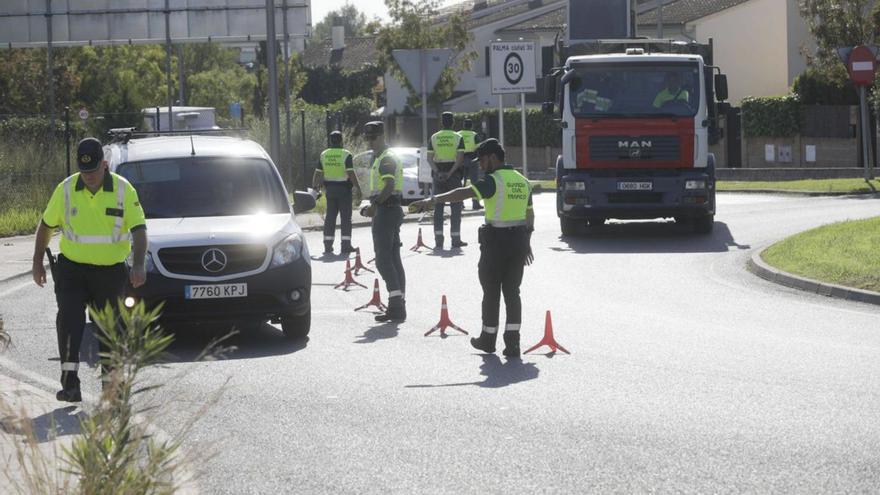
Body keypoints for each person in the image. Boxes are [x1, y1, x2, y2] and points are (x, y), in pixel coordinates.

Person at [32, 137, 148, 402]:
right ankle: (70, 385)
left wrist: (138, 263)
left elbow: (139, 229)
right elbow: (47, 225)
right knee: (69, 324)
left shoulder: (123, 189)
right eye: (84, 172)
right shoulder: (66, 189)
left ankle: (113, 389)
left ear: (104, 165)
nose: (89, 177)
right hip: (72, 270)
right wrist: (37, 260)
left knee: (110, 330)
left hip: (110, 273)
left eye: (94, 171)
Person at [410, 138, 534, 357]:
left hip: (496, 242)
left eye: (483, 160)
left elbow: (464, 193)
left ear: (493, 158)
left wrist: (434, 200)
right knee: (513, 293)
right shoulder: (523, 181)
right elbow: (529, 214)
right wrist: (527, 243)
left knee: (491, 292)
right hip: (518, 243)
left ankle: (488, 339)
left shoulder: (493, 180)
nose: (480, 165)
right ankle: (513, 343)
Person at [359, 121, 406, 322]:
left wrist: (374, 205)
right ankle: (398, 305)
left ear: (381, 136)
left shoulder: (386, 157)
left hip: (386, 211)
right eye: (367, 138)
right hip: (390, 210)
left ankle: (396, 305)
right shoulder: (380, 157)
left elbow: (389, 185)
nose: (370, 142)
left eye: (373, 138)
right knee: (394, 258)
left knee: (383, 260)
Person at [313, 130, 362, 255]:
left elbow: (318, 173)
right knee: (346, 218)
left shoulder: (324, 154)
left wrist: (315, 188)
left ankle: (328, 246)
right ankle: (345, 246)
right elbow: (351, 172)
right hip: (344, 190)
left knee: (330, 217)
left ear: (330, 141)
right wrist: (358, 187)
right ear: (341, 141)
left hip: (330, 190)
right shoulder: (346, 154)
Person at [428, 112, 467, 249]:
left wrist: (438, 172)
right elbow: (460, 158)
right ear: (453, 123)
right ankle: (455, 240)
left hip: (438, 174)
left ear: (441, 123)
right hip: (454, 174)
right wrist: (450, 173)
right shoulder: (458, 137)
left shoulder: (434, 137)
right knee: (456, 207)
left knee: (438, 207)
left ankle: (439, 241)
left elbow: (429, 158)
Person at [457, 118, 483, 211]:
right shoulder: (474, 135)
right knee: (474, 183)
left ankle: (460, 203)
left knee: (460, 183)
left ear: (463, 125)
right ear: (471, 126)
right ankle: (475, 204)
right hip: (472, 160)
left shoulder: (458, 134)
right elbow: (480, 148)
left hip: (460, 160)